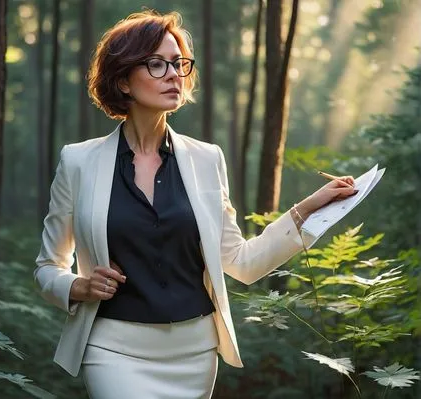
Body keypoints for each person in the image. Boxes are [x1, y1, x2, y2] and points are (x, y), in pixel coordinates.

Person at [34, 10, 356, 399]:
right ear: (122, 80)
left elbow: (241, 261)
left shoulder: (207, 159)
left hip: (194, 355)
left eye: (178, 63)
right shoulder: (78, 161)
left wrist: (308, 210)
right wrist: (79, 286)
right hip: (111, 349)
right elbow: (48, 267)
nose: (174, 74)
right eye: (156, 64)